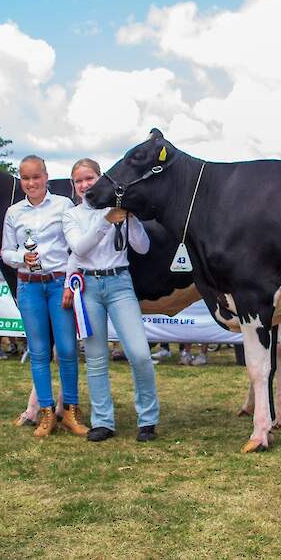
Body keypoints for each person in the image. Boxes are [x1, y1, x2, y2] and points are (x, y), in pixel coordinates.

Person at [62, 158, 160, 443]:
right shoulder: (72, 215)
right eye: (79, 181)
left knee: (140, 354)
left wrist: (132, 219)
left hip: (120, 284)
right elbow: (79, 250)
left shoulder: (119, 210)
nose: (84, 185)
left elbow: (142, 248)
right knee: (95, 357)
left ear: (100, 178)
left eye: (89, 178)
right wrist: (106, 222)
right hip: (89, 285)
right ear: (74, 186)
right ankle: (103, 421)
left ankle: (148, 419)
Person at [1, 154, 88, 438]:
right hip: (29, 286)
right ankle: (47, 413)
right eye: (25, 178)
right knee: (38, 352)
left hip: (58, 284)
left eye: (36, 177)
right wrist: (20, 257)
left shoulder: (63, 205)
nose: (31, 183)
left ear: (46, 176)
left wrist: (67, 285)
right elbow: (5, 252)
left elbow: (74, 247)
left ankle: (70, 412)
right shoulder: (14, 212)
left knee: (66, 350)